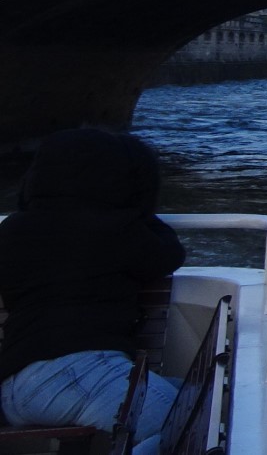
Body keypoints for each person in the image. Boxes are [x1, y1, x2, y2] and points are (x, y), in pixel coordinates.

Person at [0, 129, 185, 454]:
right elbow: (168, 254)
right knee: (178, 421)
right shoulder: (117, 231)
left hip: (16, 386)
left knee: (193, 396)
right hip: (80, 368)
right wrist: (139, 212)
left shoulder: (13, 228)